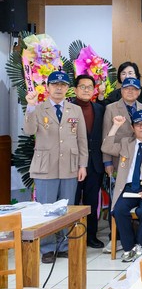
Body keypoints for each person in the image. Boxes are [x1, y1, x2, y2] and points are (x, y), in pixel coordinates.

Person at [24, 71, 88, 264]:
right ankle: (47, 248)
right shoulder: (38, 108)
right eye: (55, 85)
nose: (59, 88)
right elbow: (29, 130)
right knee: (47, 208)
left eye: (62, 85)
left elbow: (81, 139)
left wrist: (82, 165)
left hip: (70, 166)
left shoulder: (75, 110)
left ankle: (64, 245)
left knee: (65, 208)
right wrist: (30, 107)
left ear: (68, 88)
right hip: (46, 167)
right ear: (48, 87)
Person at [102, 111, 142, 262]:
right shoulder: (126, 143)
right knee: (118, 210)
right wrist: (116, 126)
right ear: (133, 127)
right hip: (129, 188)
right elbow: (106, 147)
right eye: (138, 124)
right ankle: (128, 247)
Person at [72, 74, 106, 249]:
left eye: (89, 87)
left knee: (92, 201)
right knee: (72, 201)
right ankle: (71, 237)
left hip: (94, 163)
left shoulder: (99, 109)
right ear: (75, 89)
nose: (86, 90)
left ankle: (91, 236)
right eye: (82, 87)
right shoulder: (68, 108)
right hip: (73, 164)